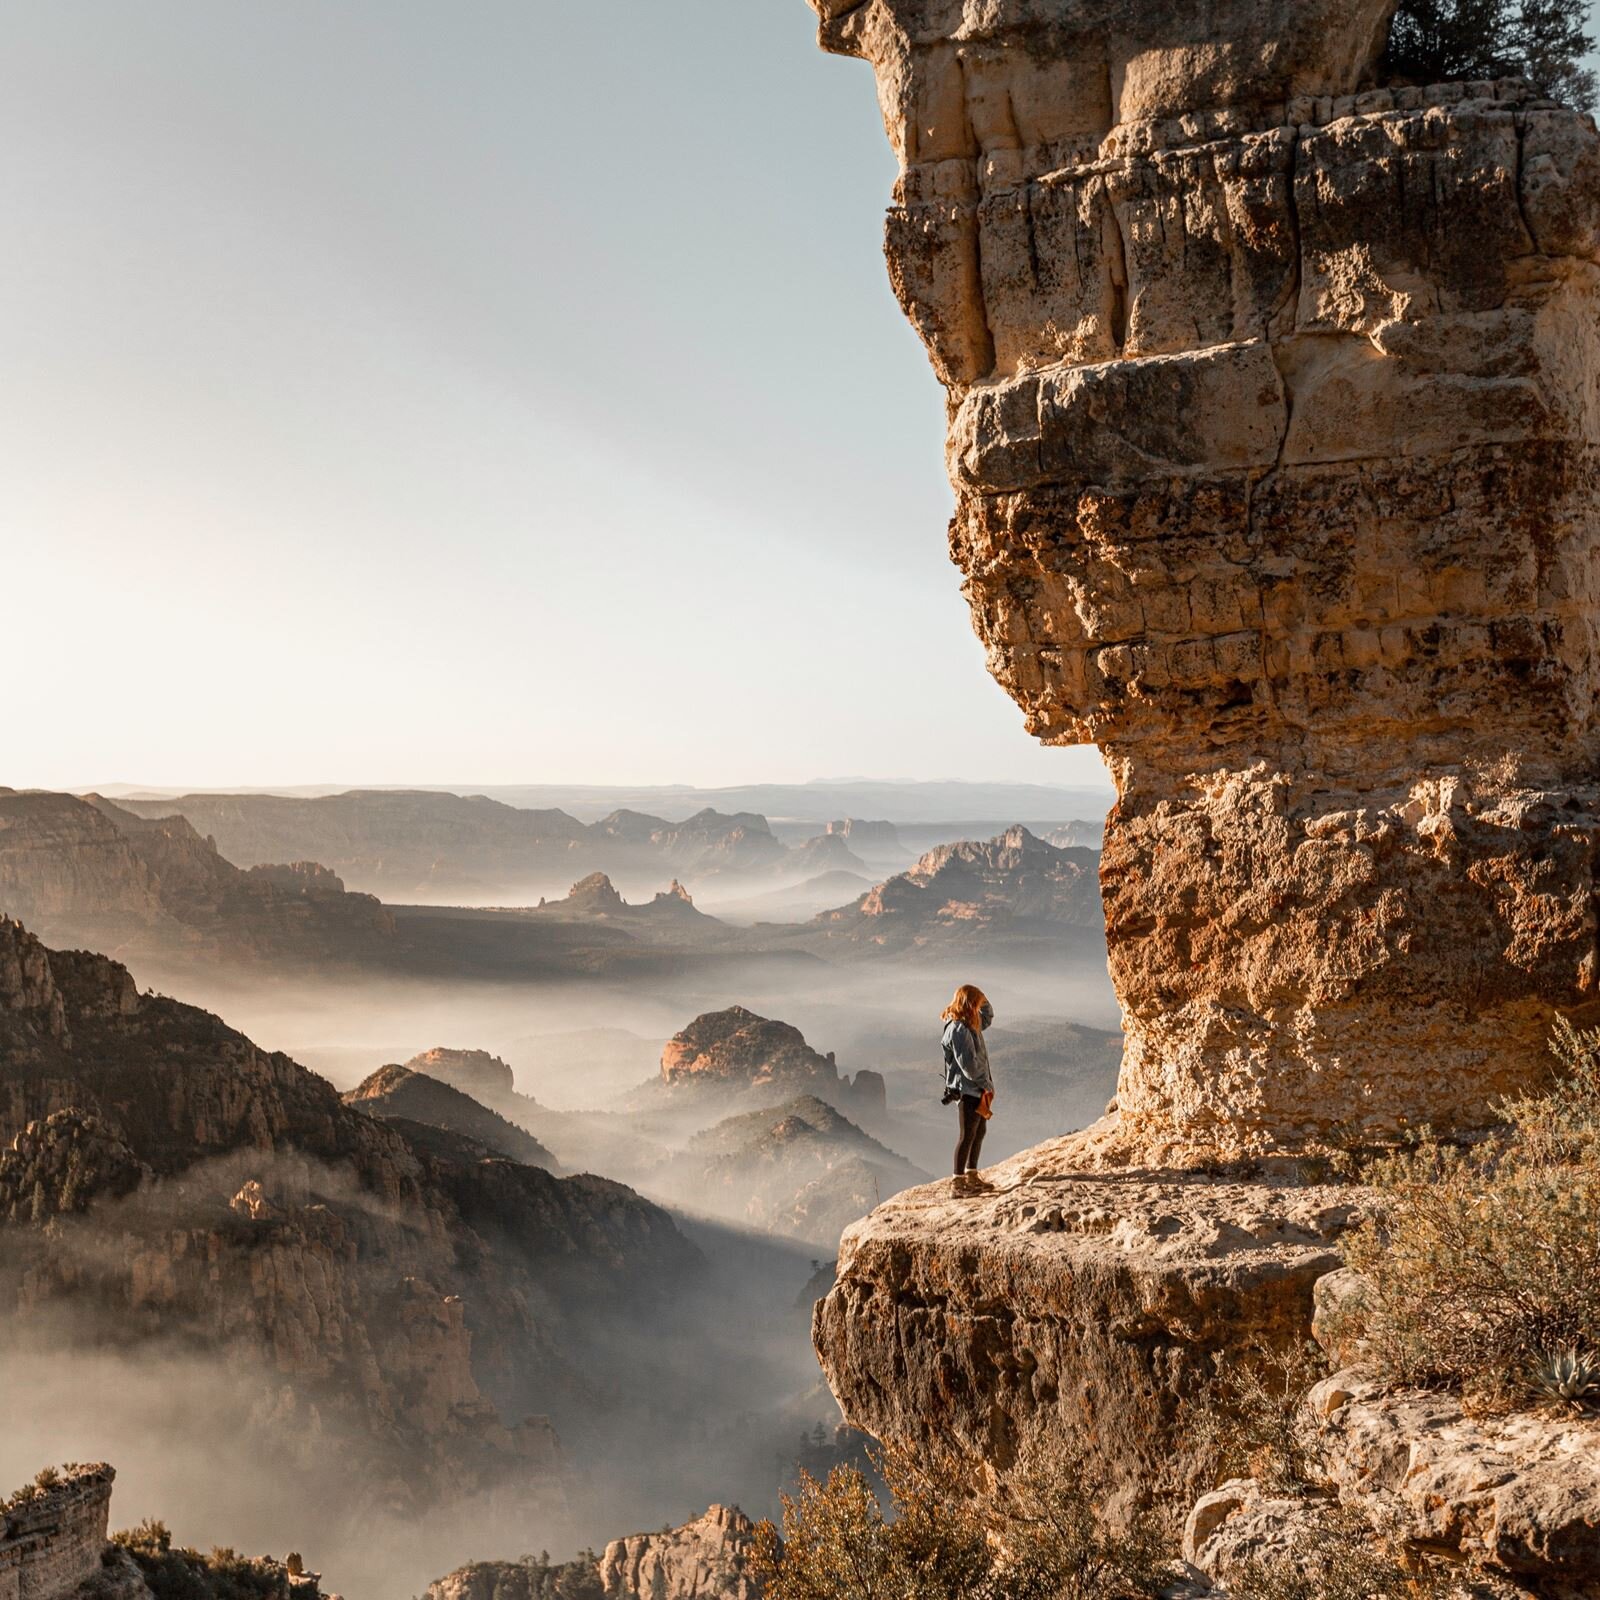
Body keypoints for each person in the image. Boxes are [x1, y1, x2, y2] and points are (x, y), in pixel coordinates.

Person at [941, 983, 994, 1192]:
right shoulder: (959, 1029)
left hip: (977, 1088)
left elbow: (988, 1017)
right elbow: (968, 1066)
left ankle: (972, 1176)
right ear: (970, 1004)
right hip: (968, 1089)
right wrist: (986, 1084)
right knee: (967, 1136)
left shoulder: (971, 1022)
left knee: (979, 1132)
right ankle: (958, 1182)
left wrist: (983, 998)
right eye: (977, 1002)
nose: (979, 1007)